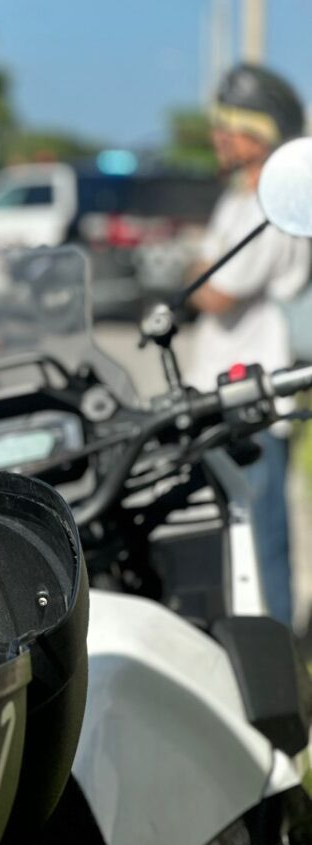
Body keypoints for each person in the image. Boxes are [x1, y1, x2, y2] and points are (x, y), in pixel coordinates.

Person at [186, 63, 310, 626]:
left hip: (254, 400)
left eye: (229, 124)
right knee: (225, 542)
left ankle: (281, 675)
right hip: (218, 395)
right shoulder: (238, 197)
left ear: (261, 131)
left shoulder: (275, 202)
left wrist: (202, 271)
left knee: (261, 547)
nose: (218, 135)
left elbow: (215, 293)